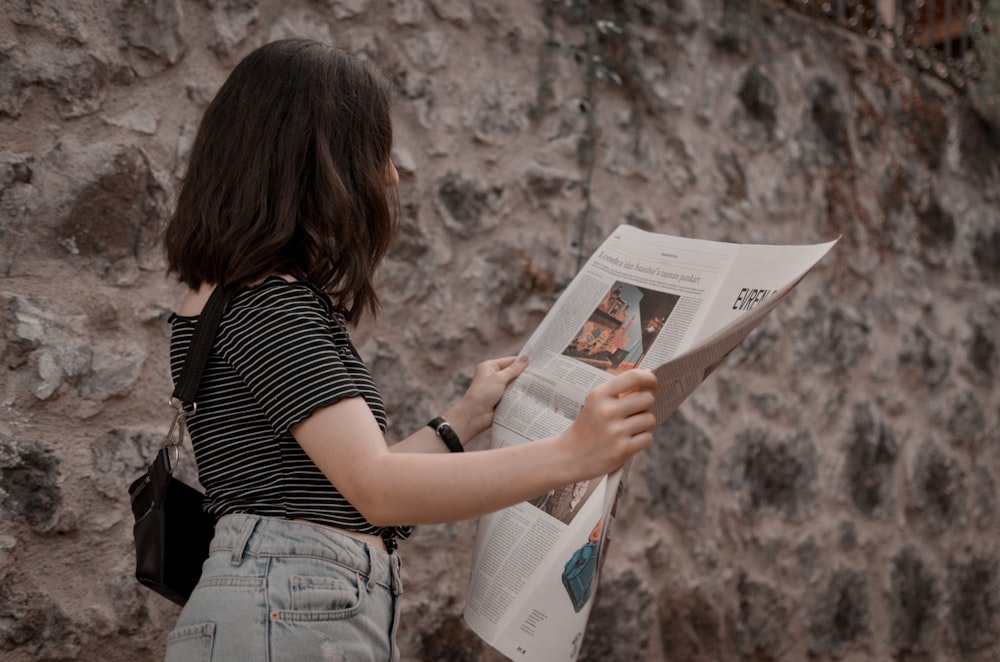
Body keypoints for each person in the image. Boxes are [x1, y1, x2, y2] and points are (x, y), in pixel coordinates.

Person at [160, 38, 658, 662]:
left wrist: (464, 418)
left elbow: (339, 483)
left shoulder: (228, 299)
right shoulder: (271, 306)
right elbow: (378, 490)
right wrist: (574, 454)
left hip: (281, 604)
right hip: (287, 612)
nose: (391, 174)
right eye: (375, 150)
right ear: (317, 162)